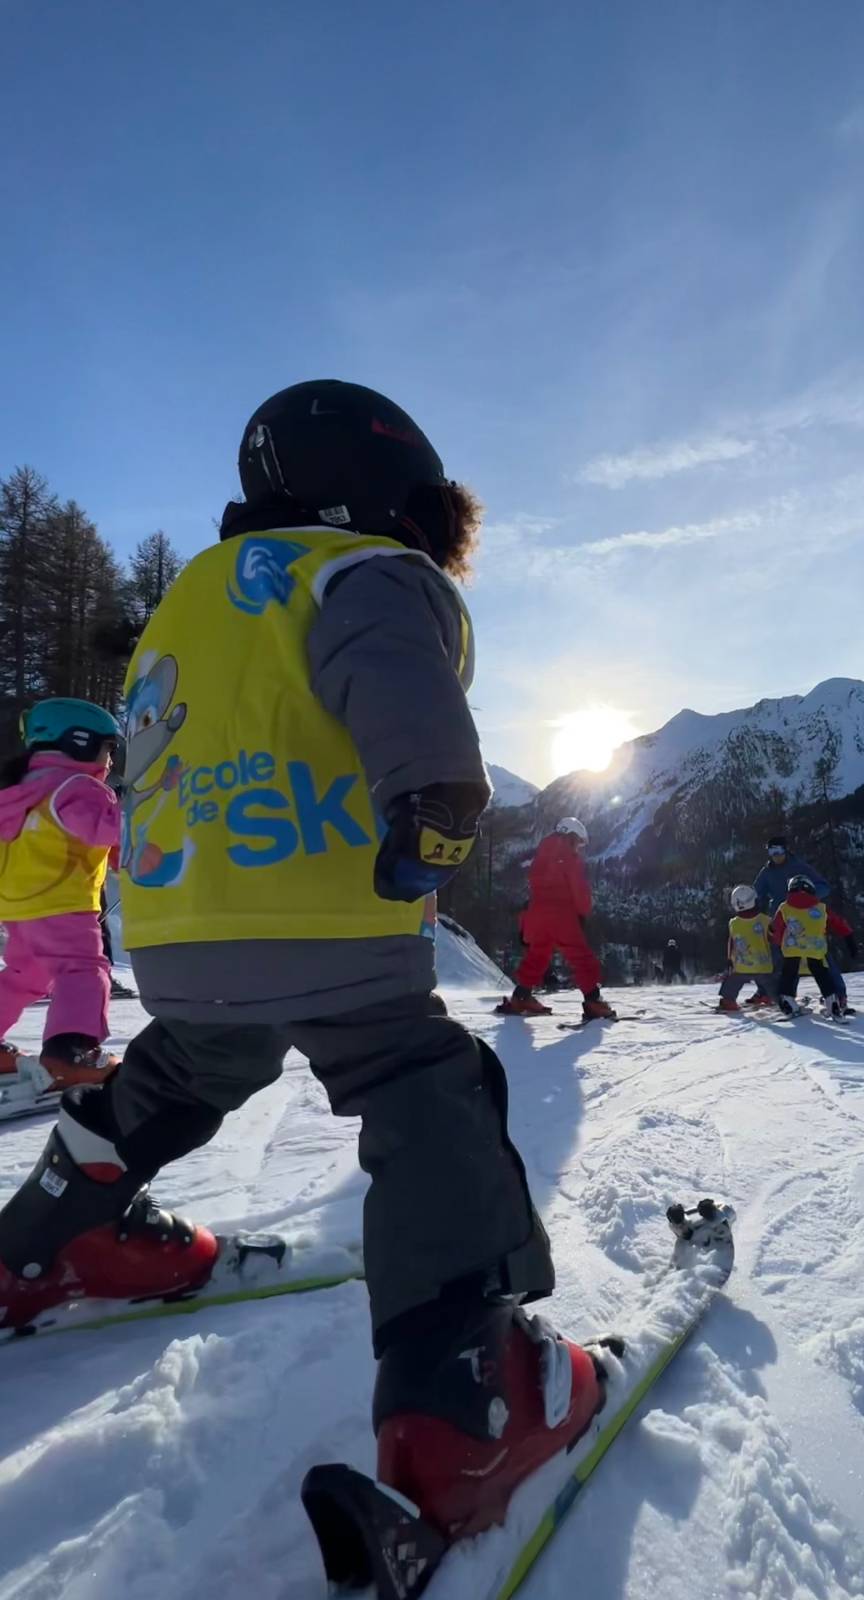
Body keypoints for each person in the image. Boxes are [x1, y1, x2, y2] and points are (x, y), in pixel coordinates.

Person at [0, 380, 603, 1543]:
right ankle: (461, 1393)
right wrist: (435, 798)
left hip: (176, 928)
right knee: (422, 1084)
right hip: (328, 914)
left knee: (187, 1066)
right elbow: (390, 666)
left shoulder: (189, 601)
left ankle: (44, 1240)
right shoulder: (362, 569)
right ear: (395, 494)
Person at [0, 698, 123, 1088]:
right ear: (80, 741)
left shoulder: (15, 791)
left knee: (25, 974)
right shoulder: (79, 786)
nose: (110, 761)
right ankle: (72, 1052)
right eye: (108, 748)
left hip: (17, 907)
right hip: (63, 903)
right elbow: (99, 830)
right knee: (82, 970)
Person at [498, 817, 616, 1020]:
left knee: (538, 955)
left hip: (536, 914)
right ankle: (593, 1001)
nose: (579, 847)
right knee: (581, 957)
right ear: (570, 836)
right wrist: (583, 912)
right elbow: (578, 889)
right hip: (561, 915)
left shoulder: (541, 855)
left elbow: (537, 886)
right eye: (578, 842)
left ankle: (521, 997)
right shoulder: (569, 857)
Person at [770, 875, 855, 1018]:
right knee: (822, 974)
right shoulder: (821, 908)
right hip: (816, 950)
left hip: (792, 950)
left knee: (788, 975)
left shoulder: (784, 908)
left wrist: (777, 944)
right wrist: (849, 939)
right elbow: (838, 923)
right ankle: (832, 1003)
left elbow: (775, 929)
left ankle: (788, 1003)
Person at [717, 884, 777, 1013]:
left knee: (732, 983)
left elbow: (731, 942)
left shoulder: (733, 923)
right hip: (763, 965)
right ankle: (777, 999)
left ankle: (728, 1001)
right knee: (771, 984)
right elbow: (774, 939)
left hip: (741, 966)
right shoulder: (766, 920)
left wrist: (729, 960)